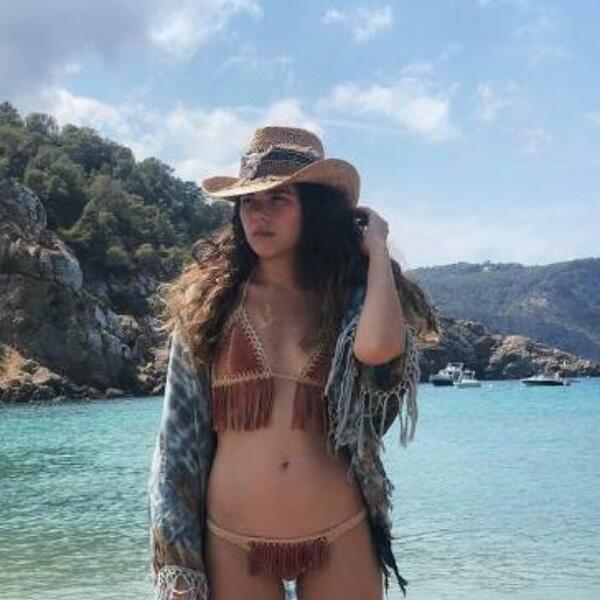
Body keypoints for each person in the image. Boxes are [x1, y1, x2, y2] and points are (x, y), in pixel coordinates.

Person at [147, 126, 439, 600]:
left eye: (278, 199)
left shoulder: (347, 297)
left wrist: (377, 252)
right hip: (232, 541)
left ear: (314, 208)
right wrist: (177, 565)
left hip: (340, 532)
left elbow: (380, 351)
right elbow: (177, 442)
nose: (259, 215)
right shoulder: (209, 305)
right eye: (249, 202)